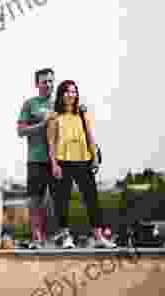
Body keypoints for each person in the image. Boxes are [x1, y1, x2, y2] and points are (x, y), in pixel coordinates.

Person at [47, 80, 116, 249]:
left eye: (74, 92)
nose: (71, 95)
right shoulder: (54, 116)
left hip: (83, 160)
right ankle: (66, 237)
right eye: (67, 92)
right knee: (62, 201)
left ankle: (99, 237)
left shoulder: (82, 113)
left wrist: (94, 158)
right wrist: (54, 164)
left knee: (92, 199)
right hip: (63, 161)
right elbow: (51, 142)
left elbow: (90, 136)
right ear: (61, 95)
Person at [17, 68, 56, 249]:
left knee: (59, 201)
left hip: (59, 160)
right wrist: (42, 125)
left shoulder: (61, 104)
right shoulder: (29, 104)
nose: (48, 84)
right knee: (35, 202)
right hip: (36, 159)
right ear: (36, 84)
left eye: (50, 81)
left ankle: (60, 237)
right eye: (44, 81)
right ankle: (37, 239)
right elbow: (20, 131)